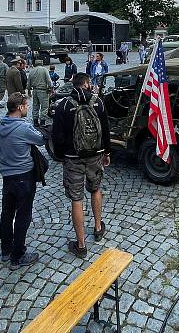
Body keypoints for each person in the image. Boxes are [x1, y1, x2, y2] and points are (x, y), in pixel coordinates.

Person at [51, 73, 111, 259]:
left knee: (76, 198)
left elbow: (57, 136)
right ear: (86, 84)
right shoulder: (98, 102)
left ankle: (81, 244)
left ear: (73, 85)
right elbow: (106, 130)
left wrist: (61, 156)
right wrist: (106, 153)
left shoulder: (64, 105)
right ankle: (98, 228)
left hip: (72, 157)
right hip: (95, 155)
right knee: (96, 189)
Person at [0, 92, 45, 268]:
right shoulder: (22, 128)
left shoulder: (3, 124)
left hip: (7, 175)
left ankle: (6, 250)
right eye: (26, 105)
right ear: (19, 107)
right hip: (23, 176)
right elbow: (40, 140)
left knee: (7, 213)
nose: (27, 108)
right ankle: (17, 256)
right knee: (23, 216)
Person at [27, 59, 52, 127]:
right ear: (42, 63)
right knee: (44, 107)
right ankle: (42, 122)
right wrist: (51, 88)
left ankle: (35, 121)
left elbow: (28, 82)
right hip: (43, 91)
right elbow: (49, 80)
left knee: (35, 105)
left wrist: (29, 90)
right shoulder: (44, 70)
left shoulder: (32, 71)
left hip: (35, 90)